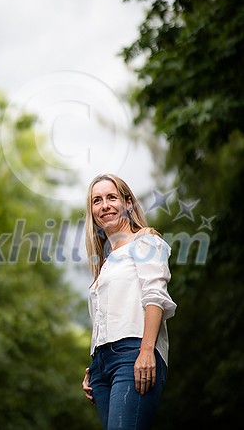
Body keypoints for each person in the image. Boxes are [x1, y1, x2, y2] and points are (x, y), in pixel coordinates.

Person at [81, 174, 176, 430]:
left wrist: (147, 351)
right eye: (97, 200)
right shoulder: (105, 262)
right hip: (102, 368)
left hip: (133, 355)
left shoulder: (145, 242)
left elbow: (155, 297)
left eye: (112, 197)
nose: (105, 205)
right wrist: (94, 364)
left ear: (128, 203)